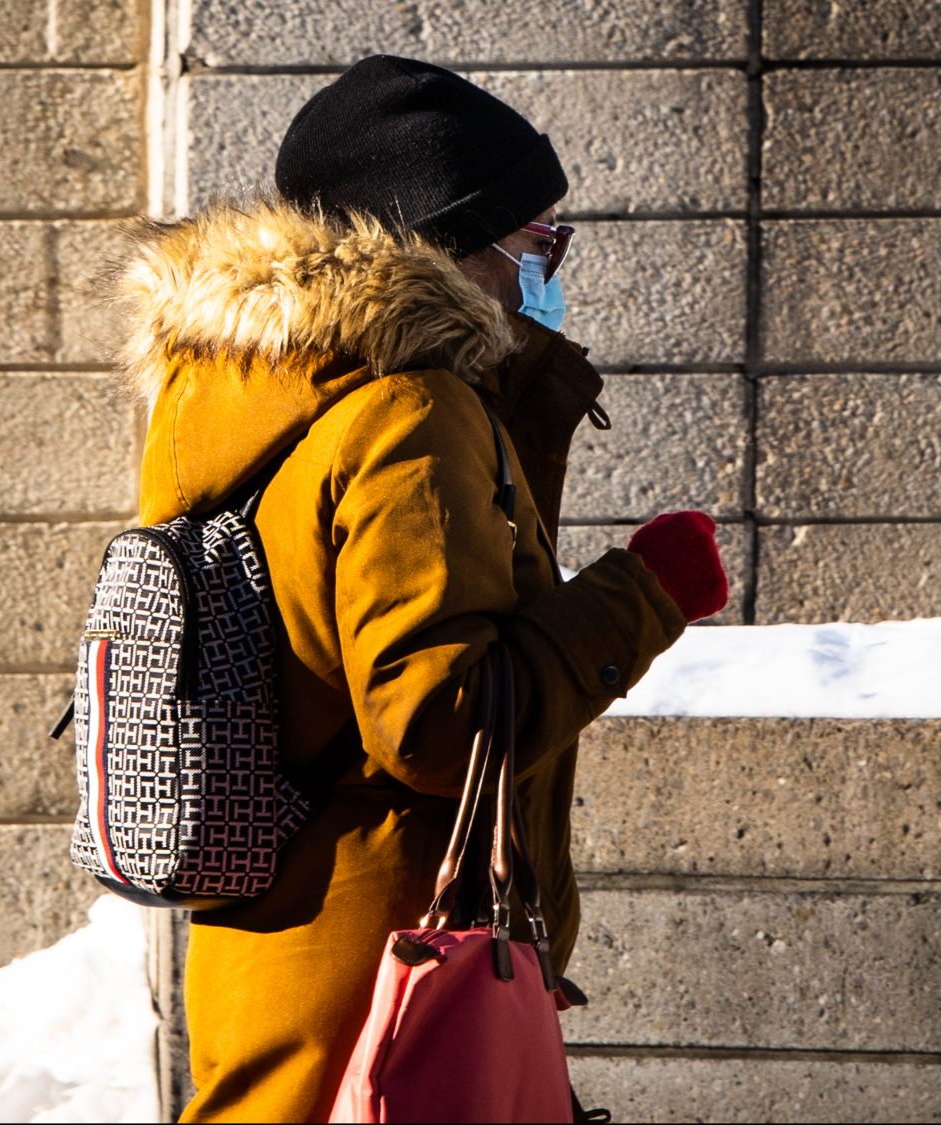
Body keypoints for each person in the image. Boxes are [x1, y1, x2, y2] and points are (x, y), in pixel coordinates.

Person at [110, 54, 729, 1123]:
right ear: (448, 242)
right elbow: (437, 719)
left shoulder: (252, 389)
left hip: (284, 961)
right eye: (539, 242)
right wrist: (648, 590)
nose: (551, 267)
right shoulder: (405, 409)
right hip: (396, 981)